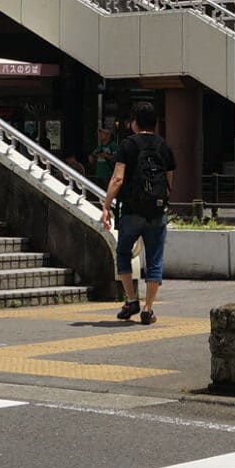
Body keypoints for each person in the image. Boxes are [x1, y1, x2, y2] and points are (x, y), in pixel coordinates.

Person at [101, 99, 174, 325]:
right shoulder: (164, 146)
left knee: (123, 252)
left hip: (132, 211)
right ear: (154, 123)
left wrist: (106, 205)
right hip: (157, 210)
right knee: (154, 259)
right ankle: (148, 309)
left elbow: (118, 178)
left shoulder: (127, 145)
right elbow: (170, 180)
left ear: (134, 123)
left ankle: (131, 299)